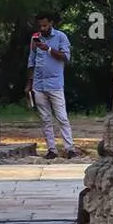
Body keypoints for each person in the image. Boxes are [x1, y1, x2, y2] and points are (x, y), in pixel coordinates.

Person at [26, 11, 74, 161]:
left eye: (45, 25)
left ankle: (69, 148)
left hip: (55, 83)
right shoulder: (35, 38)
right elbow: (31, 60)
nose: (42, 28)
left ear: (51, 23)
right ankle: (51, 149)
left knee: (62, 117)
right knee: (45, 119)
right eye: (40, 26)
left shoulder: (61, 37)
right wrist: (29, 83)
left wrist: (48, 49)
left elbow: (65, 57)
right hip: (39, 84)